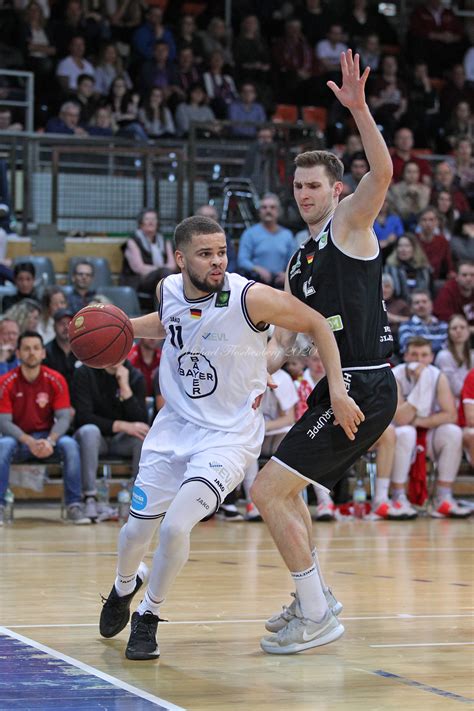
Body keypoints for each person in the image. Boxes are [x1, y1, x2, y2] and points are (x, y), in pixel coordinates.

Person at [99, 214, 362, 661]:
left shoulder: (248, 297)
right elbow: (168, 323)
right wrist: (120, 329)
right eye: (206, 254)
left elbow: (317, 324)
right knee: (134, 534)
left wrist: (336, 388)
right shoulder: (167, 289)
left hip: (228, 438)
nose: (217, 261)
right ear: (180, 258)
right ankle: (124, 586)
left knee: (178, 526)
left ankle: (148, 616)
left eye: (222, 251)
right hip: (172, 432)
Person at [250, 50, 398, 655]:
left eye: (313, 185)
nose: (303, 193)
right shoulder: (296, 257)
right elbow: (284, 339)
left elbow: (382, 174)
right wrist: (247, 372)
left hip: (362, 384)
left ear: (334, 190)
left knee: (267, 492)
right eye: (297, 185)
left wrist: (360, 110)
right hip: (335, 384)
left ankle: (316, 614)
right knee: (286, 489)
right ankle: (315, 599)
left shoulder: (349, 226)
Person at [0, 331, 88, 525]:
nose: (31, 352)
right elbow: (4, 422)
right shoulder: (6, 382)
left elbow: (64, 417)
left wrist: (50, 440)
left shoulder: (55, 379)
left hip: (49, 439)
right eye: (26, 348)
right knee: (3, 445)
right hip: (19, 440)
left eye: (36, 348)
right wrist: (29, 441)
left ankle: (74, 505)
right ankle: (0, 506)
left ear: (43, 353)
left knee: (70, 445)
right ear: (18, 353)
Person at [392, 336, 469, 518]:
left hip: (428, 431)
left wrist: (417, 421)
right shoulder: (396, 375)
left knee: (453, 432)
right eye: (414, 354)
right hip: (400, 434)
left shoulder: (438, 376)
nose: (419, 360)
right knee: (406, 432)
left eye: (424, 355)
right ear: (406, 356)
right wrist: (422, 384)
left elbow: (450, 414)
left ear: (432, 357)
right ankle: (398, 496)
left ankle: (443, 497)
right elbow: (401, 419)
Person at [72, 359, 149, 522]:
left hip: (120, 442)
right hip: (94, 440)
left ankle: (137, 500)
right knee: (89, 431)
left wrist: (125, 389)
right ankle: (89, 498)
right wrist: (120, 425)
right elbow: (83, 417)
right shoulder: (84, 373)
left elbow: (141, 421)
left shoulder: (135, 376)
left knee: (142, 437)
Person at [237, 193, 294, 288]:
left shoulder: (287, 235)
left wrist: (286, 275)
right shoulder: (249, 234)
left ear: (278, 211)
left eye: (272, 207)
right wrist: (257, 269)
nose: (268, 210)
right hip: (255, 284)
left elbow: (293, 261)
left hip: (279, 285)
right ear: (259, 212)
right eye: (264, 207)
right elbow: (242, 260)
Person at [120, 209, 176, 297]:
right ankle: (165, 309)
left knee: (164, 278)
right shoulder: (133, 241)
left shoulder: (164, 241)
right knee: (164, 276)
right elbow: (139, 268)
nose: (151, 222)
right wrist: (160, 270)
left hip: (160, 277)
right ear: (141, 223)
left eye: (154, 219)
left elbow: (172, 265)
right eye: (147, 219)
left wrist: (160, 270)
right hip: (138, 281)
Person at [434, 314, 473, 405]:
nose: (458, 331)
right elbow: (456, 388)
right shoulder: (443, 356)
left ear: (468, 331)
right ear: (448, 332)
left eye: (462, 327)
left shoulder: (472, 355)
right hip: (451, 403)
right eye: (454, 328)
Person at [384, 233, 432, 301]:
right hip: (397, 307)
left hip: (419, 305)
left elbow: (430, 292)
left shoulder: (423, 269)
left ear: (414, 248)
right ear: (396, 249)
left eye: (407, 246)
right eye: (400, 246)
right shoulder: (389, 269)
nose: (403, 249)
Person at [399, 290, 448, 355]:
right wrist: (440, 346)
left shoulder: (443, 325)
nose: (421, 305)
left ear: (431, 304)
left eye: (424, 302)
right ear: (411, 308)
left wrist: (422, 345)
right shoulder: (406, 326)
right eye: (417, 303)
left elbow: (450, 346)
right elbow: (411, 349)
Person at [433, 260, 474, 333]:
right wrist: (468, 328)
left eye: (472, 275)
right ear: (457, 277)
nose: (469, 279)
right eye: (464, 275)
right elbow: (443, 317)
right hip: (456, 333)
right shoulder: (448, 291)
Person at [43, 307, 79, 389]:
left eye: (69, 323)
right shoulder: (45, 352)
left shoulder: (82, 349)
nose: (66, 327)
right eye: (61, 324)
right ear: (54, 327)